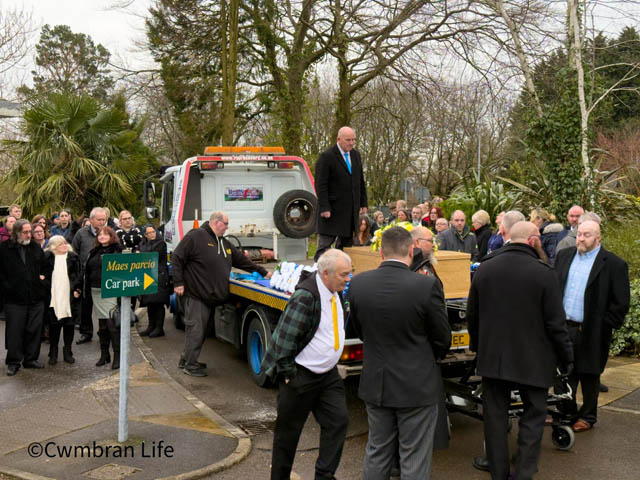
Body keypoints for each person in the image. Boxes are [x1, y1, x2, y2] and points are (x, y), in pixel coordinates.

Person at [467, 221, 573, 480]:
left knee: (494, 419)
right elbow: (555, 323)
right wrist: (566, 358)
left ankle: (499, 474)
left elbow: (473, 316)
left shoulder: (485, 269)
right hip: (534, 360)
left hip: (494, 359)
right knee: (534, 417)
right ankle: (524, 473)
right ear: (532, 240)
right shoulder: (544, 273)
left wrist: (479, 348)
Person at [349, 227, 451, 479]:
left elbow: (357, 329)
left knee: (377, 451)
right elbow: (442, 338)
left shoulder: (359, 283)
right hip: (416, 384)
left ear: (381, 252)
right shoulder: (426, 285)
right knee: (414, 457)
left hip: (376, 382)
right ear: (412, 250)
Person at [261, 249, 351, 480]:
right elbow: (282, 341)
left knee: (338, 421)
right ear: (325, 273)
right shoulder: (306, 297)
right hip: (301, 376)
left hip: (327, 376)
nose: (348, 279)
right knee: (287, 435)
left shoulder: (335, 290)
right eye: (344, 275)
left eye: (349, 274)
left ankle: (324, 475)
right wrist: (290, 375)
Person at [172, 211, 272, 377]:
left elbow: (241, 260)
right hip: (196, 295)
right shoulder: (196, 236)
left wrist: (263, 272)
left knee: (201, 331)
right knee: (196, 331)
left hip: (211, 298)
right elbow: (177, 257)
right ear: (216, 222)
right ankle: (190, 365)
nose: (227, 227)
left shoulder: (224, 243)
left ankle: (186, 360)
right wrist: (178, 283)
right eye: (225, 224)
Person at [555, 220, 630, 432]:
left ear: (598, 238)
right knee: (562, 373)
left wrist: (605, 325)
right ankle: (565, 412)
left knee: (589, 374)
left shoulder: (613, 264)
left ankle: (587, 416)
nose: (581, 238)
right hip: (563, 327)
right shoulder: (564, 256)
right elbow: (553, 287)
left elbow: (621, 302)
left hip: (591, 330)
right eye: (579, 234)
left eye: (586, 235)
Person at [0, 219, 51, 376]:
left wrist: (42, 281)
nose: (29, 235)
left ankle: (30, 359)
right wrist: (8, 289)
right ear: (16, 233)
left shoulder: (35, 248)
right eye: (26, 232)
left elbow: (46, 268)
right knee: (15, 332)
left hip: (36, 298)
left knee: (34, 330)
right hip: (14, 300)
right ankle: (13, 362)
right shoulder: (4, 249)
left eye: (30, 232)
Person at [314, 126, 367, 261]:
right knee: (325, 246)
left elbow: (360, 181)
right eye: (348, 140)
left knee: (345, 247)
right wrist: (325, 207)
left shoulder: (355, 155)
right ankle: (318, 274)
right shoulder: (327, 156)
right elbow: (321, 184)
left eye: (353, 140)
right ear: (339, 139)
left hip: (349, 211)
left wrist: (363, 202)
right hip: (331, 210)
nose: (351, 143)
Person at [85, 226, 123, 370]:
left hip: (110, 291)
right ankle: (104, 355)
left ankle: (117, 357)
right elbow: (87, 271)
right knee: (101, 325)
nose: (101, 236)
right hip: (95, 291)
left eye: (105, 234)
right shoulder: (94, 251)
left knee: (112, 326)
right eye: (99, 234)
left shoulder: (118, 250)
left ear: (111, 236)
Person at [72, 207, 108, 344]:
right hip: (85, 277)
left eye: (104, 219)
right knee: (85, 307)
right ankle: (86, 332)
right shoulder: (81, 233)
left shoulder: (108, 233)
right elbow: (74, 253)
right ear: (91, 220)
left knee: (104, 307)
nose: (102, 222)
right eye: (99, 220)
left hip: (104, 277)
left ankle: (104, 332)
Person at [44, 236, 81, 365]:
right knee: (54, 326)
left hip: (70, 296)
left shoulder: (73, 258)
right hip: (54, 296)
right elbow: (44, 277)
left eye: (65, 243)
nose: (64, 246)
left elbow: (79, 276)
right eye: (60, 244)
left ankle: (68, 351)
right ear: (53, 246)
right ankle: (53, 352)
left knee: (69, 325)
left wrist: (77, 290)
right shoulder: (48, 258)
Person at [138, 225, 171, 338]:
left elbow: (150, 256)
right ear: (145, 235)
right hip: (148, 276)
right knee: (150, 303)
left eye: (153, 231)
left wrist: (141, 253)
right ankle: (151, 326)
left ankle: (159, 328)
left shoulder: (161, 244)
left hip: (159, 276)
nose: (152, 234)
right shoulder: (143, 244)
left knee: (158, 303)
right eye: (149, 233)